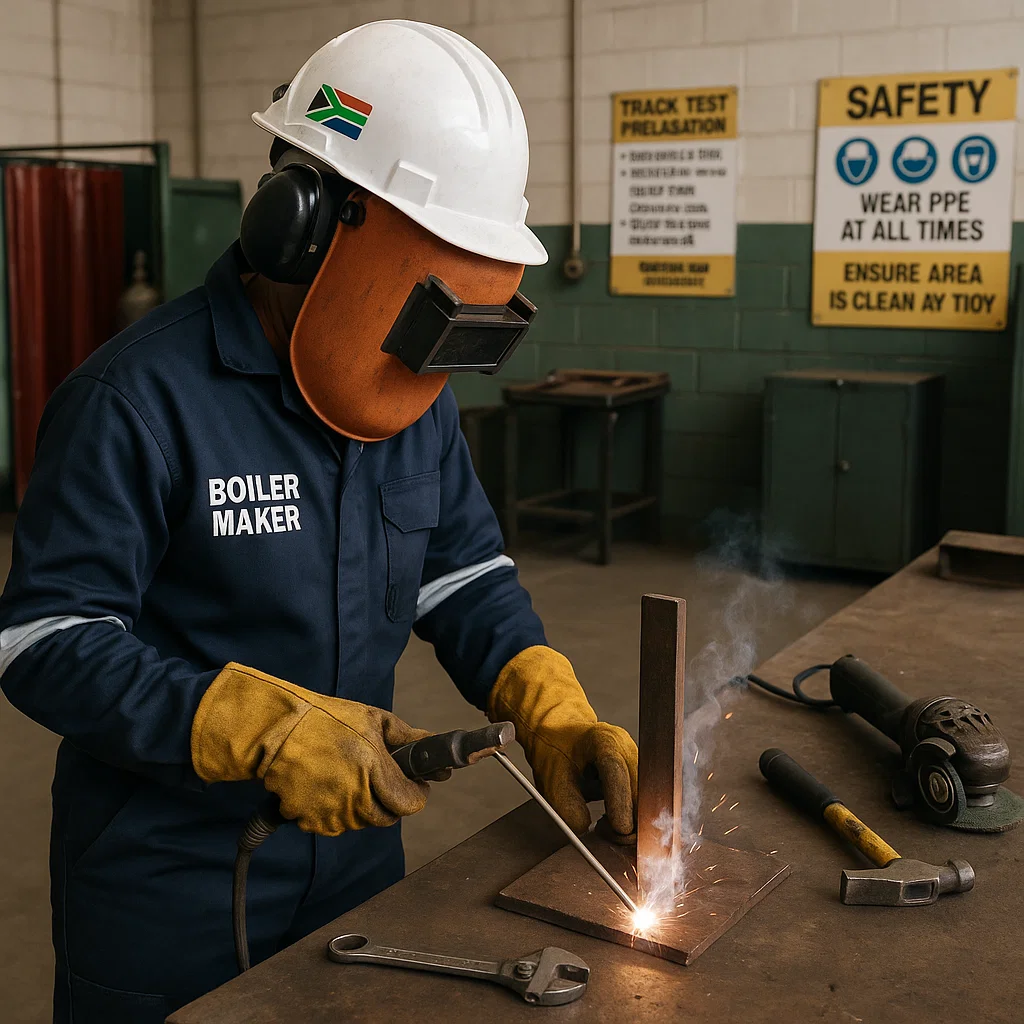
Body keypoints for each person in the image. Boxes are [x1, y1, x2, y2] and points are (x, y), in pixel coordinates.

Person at [0, 20, 638, 1023]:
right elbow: (42, 639)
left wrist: (543, 697)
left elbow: (461, 572)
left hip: (356, 849)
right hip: (167, 878)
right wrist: (252, 729)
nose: (433, 346)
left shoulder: (406, 398)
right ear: (298, 221)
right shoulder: (136, 399)